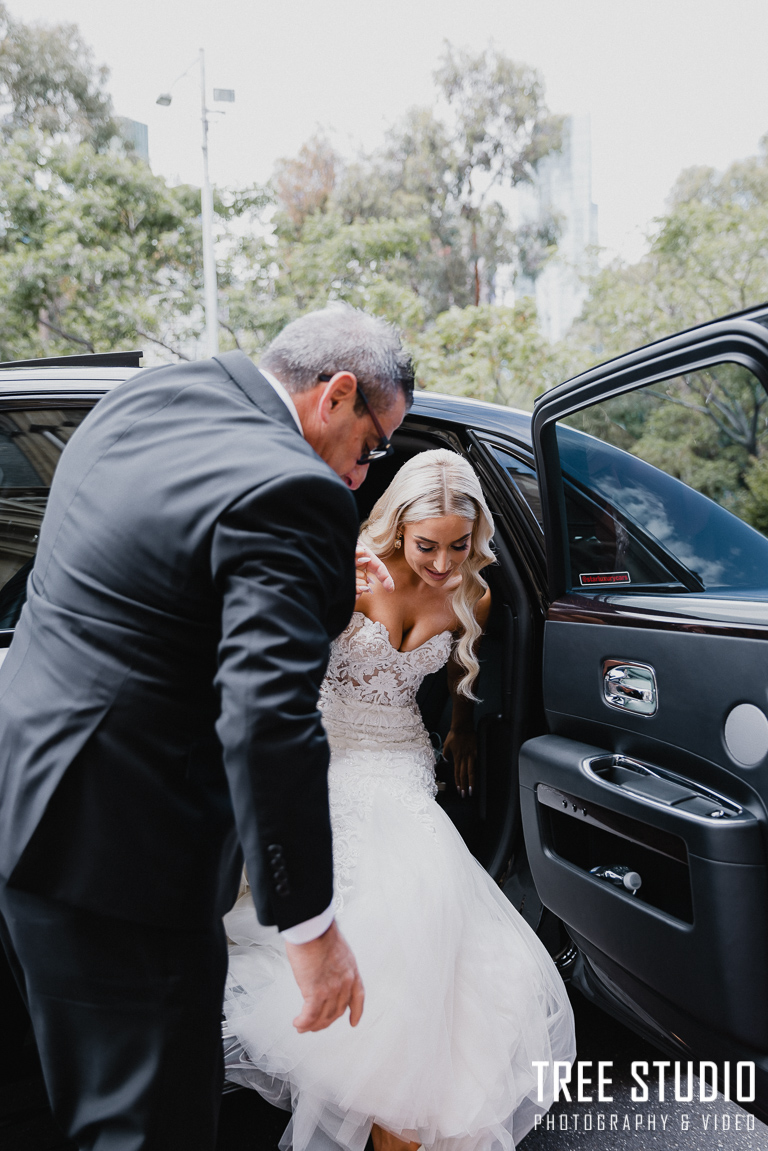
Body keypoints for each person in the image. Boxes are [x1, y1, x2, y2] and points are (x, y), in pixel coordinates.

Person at [0, 304, 412, 1150]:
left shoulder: (140, 401)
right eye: (372, 446)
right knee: (150, 1128)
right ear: (337, 393)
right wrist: (310, 929)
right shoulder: (296, 492)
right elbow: (266, 719)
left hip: (23, 811)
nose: (361, 475)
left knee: (56, 1101)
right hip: (128, 868)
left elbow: (155, 585)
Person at [222, 449, 577, 1151]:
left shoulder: (473, 595)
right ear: (397, 529)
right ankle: (393, 1090)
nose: (443, 564)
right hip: (325, 748)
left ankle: (409, 1096)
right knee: (383, 893)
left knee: (429, 886)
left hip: (403, 753)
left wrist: (463, 728)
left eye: (459, 545)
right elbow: (273, 659)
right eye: (427, 546)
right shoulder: (352, 575)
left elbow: (459, 674)